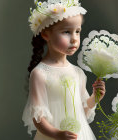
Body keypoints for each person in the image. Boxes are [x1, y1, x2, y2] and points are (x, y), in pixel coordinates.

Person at [22, 0, 106, 140]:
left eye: (77, 31)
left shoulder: (78, 73)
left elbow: (81, 113)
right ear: (46, 34)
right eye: (66, 32)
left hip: (79, 135)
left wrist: (94, 99)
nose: (74, 39)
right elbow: (38, 118)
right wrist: (57, 134)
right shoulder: (40, 74)